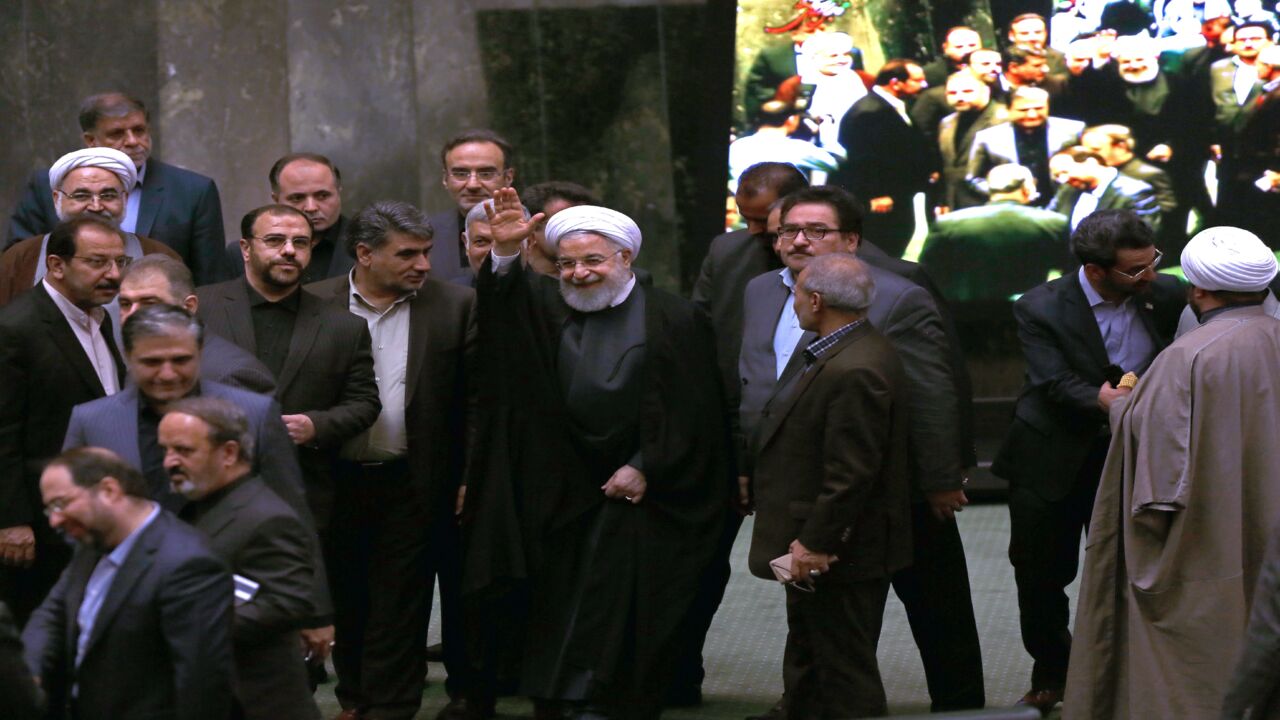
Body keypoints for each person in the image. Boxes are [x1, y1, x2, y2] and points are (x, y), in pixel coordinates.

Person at [465, 191, 730, 719]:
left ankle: (607, 698)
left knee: (620, 600)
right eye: (566, 263)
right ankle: (559, 696)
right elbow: (502, 309)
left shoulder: (674, 317)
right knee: (556, 598)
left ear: (625, 259)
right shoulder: (544, 306)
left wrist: (644, 464)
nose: (579, 274)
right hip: (560, 481)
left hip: (640, 484)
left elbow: (695, 410)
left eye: (592, 261)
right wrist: (506, 253)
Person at [741, 186, 984, 714]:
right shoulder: (760, 290)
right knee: (814, 612)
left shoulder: (896, 295)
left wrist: (942, 477)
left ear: (851, 240)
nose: (799, 240)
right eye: (788, 230)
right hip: (798, 483)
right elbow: (752, 382)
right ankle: (800, 702)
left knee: (926, 601)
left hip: (890, 482)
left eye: (817, 231)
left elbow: (932, 392)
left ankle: (960, 705)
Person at [1064, 226, 1280, 719]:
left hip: (1207, 542)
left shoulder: (1187, 356)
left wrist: (1123, 409)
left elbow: (1157, 489)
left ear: (1198, 289)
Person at [990, 210, 1184, 716]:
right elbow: (1052, 382)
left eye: (1152, 263)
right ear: (1096, 271)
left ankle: (1129, 675)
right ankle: (1053, 674)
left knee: (1137, 570)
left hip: (1134, 456)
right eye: (1134, 271)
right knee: (1040, 576)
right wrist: (1111, 402)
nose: (1149, 276)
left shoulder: (1164, 295)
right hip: (1051, 456)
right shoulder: (1042, 306)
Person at [308, 200, 478, 720]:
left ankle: (391, 706)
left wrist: (469, 475)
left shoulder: (454, 306)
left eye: (426, 252)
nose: (423, 265)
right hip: (334, 478)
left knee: (401, 603)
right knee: (347, 598)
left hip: (413, 478)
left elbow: (474, 403)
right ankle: (356, 699)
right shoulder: (314, 303)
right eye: (408, 254)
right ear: (364, 253)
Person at [748, 253, 910, 720]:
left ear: (815, 300)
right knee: (810, 650)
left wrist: (815, 543)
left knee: (843, 667)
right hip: (817, 538)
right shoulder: (845, 349)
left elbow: (852, 472)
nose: (793, 302)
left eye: (796, 293)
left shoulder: (856, 366)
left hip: (836, 547)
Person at [198, 203, 380, 533]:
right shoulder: (200, 309)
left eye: (300, 242)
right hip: (210, 484)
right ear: (245, 248)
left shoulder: (343, 326)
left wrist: (316, 425)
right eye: (274, 240)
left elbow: (365, 403)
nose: (288, 251)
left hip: (304, 491)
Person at [21, 447, 233, 720]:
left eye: (60, 504)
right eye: (50, 509)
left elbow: (202, 684)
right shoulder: (91, 544)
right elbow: (53, 613)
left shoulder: (188, 564)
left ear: (109, 490)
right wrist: (30, 672)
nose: (54, 520)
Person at [0, 216, 127, 625]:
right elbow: (3, 434)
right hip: (40, 523)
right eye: (98, 262)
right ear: (56, 265)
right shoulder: (16, 329)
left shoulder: (99, 317)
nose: (114, 274)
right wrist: (11, 521)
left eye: (120, 262)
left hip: (97, 513)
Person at [162, 397, 320, 720]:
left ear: (229, 453)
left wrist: (186, 622)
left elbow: (287, 602)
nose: (169, 462)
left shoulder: (267, 517)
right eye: (166, 450)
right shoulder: (196, 507)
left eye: (183, 451)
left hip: (257, 702)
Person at [7, 93, 226, 284]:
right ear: (91, 140)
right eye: (117, 133)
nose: (133, 141)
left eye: (139, 130)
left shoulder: (193, 190)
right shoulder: (47, 183)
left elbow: (209, 277)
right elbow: (20, 263)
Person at [0, 147, 180, 307]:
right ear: (57, 199)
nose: (96, 206)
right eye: (81, 195)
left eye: (108, 195)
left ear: (124, 199)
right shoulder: (21, 258)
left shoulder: (158, 255)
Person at [118, 254, 276, 394]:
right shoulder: (139, 361)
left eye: (149, 303)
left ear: (189, 306)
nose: (132, 314)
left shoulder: (234, 375)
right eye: (125, 304)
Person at [921, 164, 1069, 304]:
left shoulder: (949, 224)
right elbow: (1070, 270)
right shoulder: (1055, 223)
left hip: (965, 316)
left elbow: (927, 273)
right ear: (1027, 189)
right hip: (1027, 314)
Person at [832, 59, 933, 257]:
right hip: (882, 196)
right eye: (917, 80)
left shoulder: (892, 104)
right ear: (896, 82)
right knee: (887, 243)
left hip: (898, 190)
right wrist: (876, 194)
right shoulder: (868, 112)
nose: (924, 85)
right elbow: (863, 157)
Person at [219, 153, 355, 283]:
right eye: (297, 198)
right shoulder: (240, 254)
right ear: (276, 199)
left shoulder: (366, 245)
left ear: (338, 193)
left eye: (322, 196)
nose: (311, 207)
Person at [966, 86, 1085, 205]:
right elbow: (973, 179)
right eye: (1023, 110)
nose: (1032, 115)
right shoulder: (987, 138)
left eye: (1039, 108)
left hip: (1065, 203)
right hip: (1011, 208)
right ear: (1008, 110)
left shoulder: (1073, 131)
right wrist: (1004, 193)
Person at [430, 130, 517, 285]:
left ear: (508, 177)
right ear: (445, 179)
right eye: (461, 173)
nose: (473, 185)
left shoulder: (535, 231)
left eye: (486, 173)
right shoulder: (425, 234)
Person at [936, 71, 1009, 212]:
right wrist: (944, 200)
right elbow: (948, 166)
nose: (959, 97)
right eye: (952, 93)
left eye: (967, 91)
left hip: (991, 200)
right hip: (956, 200)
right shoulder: (947, 122)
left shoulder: (1003, 118)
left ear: (985, 91)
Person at [1048, 147, 1161, 232]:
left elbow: (1142, 236)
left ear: (1091, 162)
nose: (1063, 179)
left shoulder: (1135, 192)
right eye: (1057, 176)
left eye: (1065, 172)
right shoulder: (1067, 190)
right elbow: (1049, 222)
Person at [522, 181, 601, 276]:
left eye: (587, 223)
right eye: (564, 223)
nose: (580, 232)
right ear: (531, 231)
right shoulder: (509, 282)